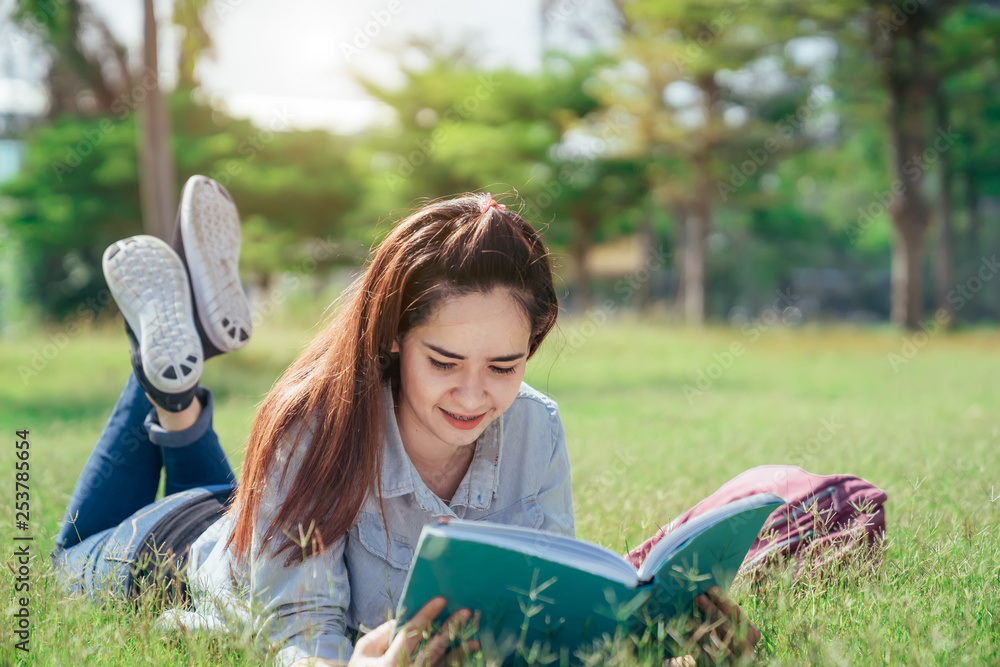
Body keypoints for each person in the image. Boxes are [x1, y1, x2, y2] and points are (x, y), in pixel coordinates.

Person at [51, 177, 760, 666]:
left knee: (236, 494)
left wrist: (657, 641)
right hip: (172, 550)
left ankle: (183, 368)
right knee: (60, 561)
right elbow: (299, 633)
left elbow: (547, 614)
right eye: (445, 361)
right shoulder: (313, 426)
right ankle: (165, 371)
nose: (474, 395)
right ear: (393, 336)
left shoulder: (538, 428)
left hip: (253, 511)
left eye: (504, 365)